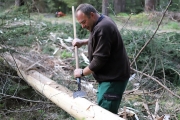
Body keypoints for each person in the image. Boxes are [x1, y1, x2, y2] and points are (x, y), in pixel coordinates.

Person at [72, 3, 130, 114]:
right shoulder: (102, 21)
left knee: (105, 114)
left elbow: (99, 60)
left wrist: (82, 72)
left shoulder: (103, 27)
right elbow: (101, 40)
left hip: (113, 79)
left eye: (84, 22)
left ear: (92, 15)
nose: (83, 26)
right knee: (102, 110)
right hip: (109, 78)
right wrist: (83, 42)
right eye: (80, 23)